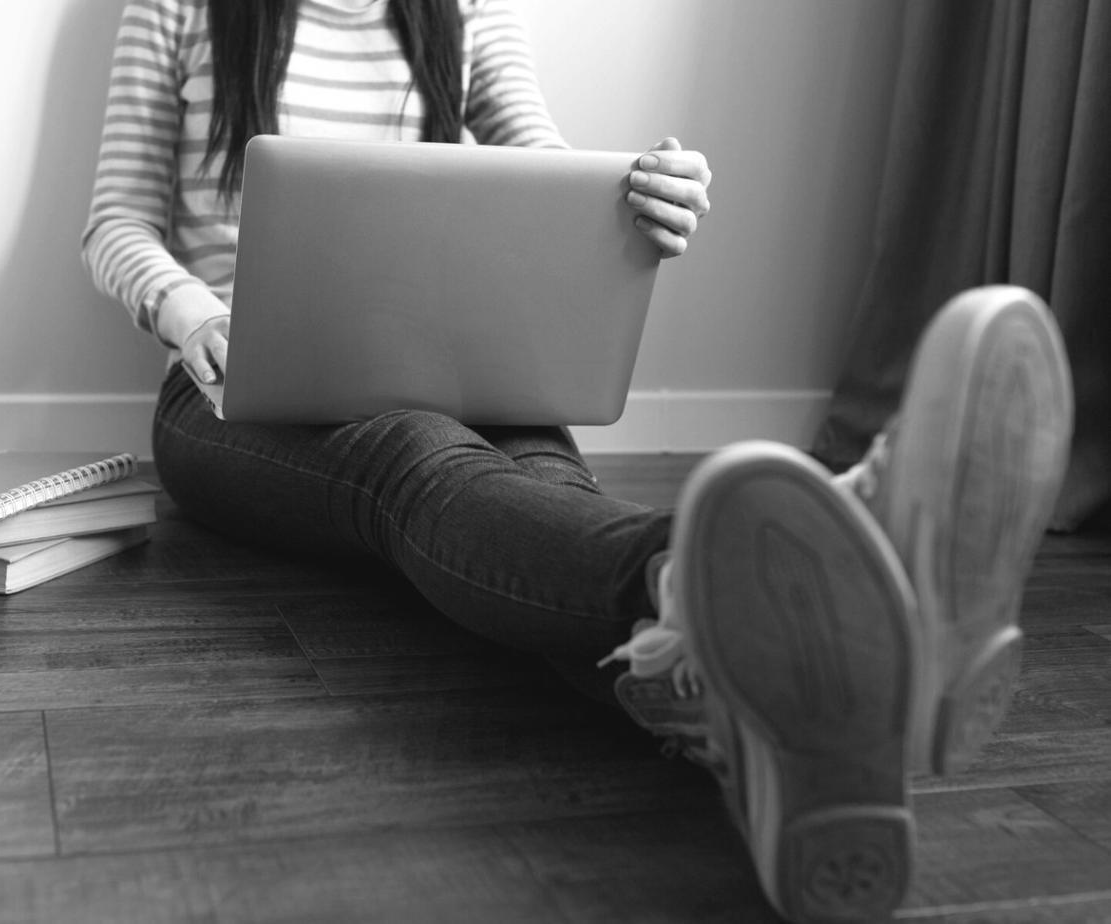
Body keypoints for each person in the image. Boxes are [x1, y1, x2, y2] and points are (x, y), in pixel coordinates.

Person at [81, 2, 1074, 921]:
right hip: (233, 386)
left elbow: (544, 175)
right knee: (418, 460)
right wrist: (193, 313)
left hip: (453, 355)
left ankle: (731, 703)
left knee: (547, 493)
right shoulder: (176, 6)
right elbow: (114, 223)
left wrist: (638, 199)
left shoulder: (463, 5)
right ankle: (761, 566)